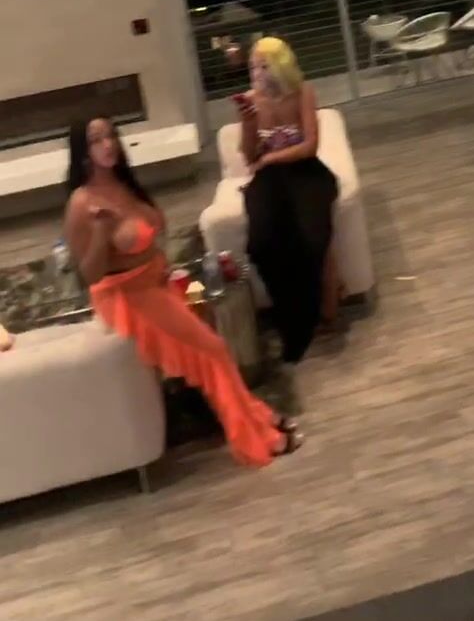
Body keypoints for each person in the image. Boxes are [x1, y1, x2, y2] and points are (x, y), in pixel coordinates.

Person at [64, 117, 302, 467]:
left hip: (158, 282)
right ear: (83, 151)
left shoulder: (122, 183)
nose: (108, 144)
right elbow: (88, 275)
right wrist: (101, 233)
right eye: (96, 139)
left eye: (111, 135)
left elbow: (151, 232)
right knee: (213, 350)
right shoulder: (82, 203)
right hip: (129, 297)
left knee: (211, 339)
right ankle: (255, 439)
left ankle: (257, 417)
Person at [236, 37, 339, 366]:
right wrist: (248, 123)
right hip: (269, 179)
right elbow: (248, 155)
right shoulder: (252, 100)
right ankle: (288, 314)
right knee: (260, 244)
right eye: (253, 66)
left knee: (314, 237)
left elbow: (310, 146)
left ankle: (312, 311)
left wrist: (269, 158)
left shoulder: (303, 92)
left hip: (306, 171)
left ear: (280, 66)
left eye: (264, 65)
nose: (257, 72)